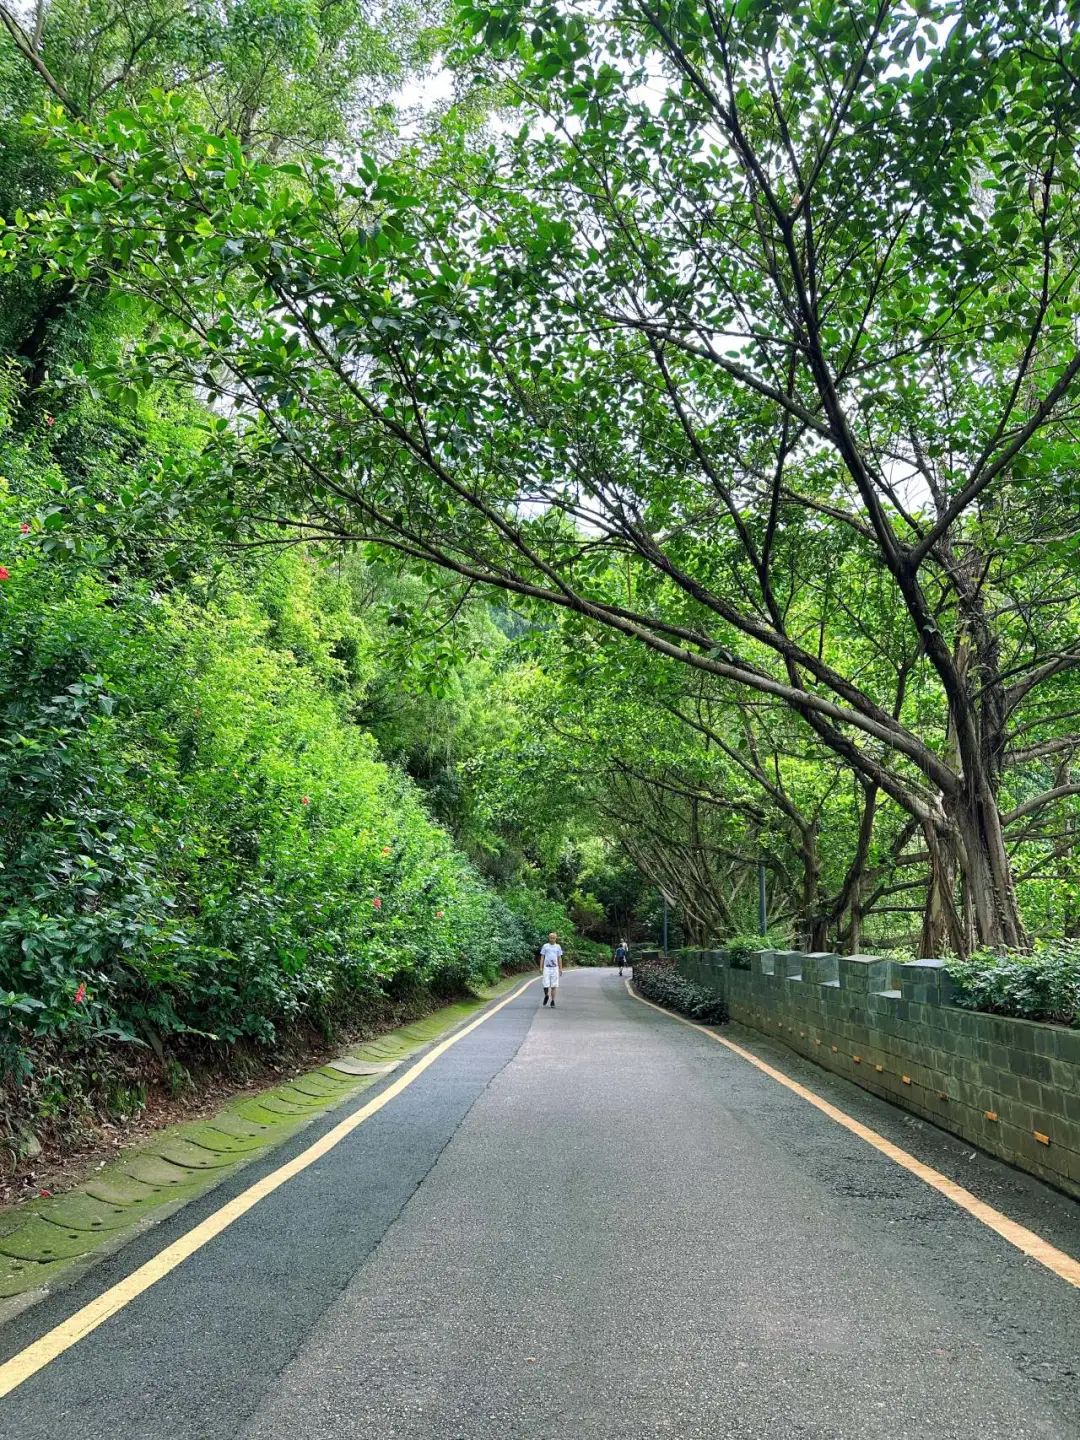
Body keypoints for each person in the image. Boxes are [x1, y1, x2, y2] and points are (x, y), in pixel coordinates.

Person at [539, 931, 563, 1007]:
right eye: (551, 938)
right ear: (548, 938)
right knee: (545, 985)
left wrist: (560, 969)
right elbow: (542, 957)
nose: (552, 939)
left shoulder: (558, 946)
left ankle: (553, 1001)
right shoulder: (545, 946)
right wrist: (541, 967)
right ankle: (546, 995)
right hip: (546, 968)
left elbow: (559, 958)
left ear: (556, 938)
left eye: (554, 938)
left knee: (554, 986)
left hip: (554, 968)